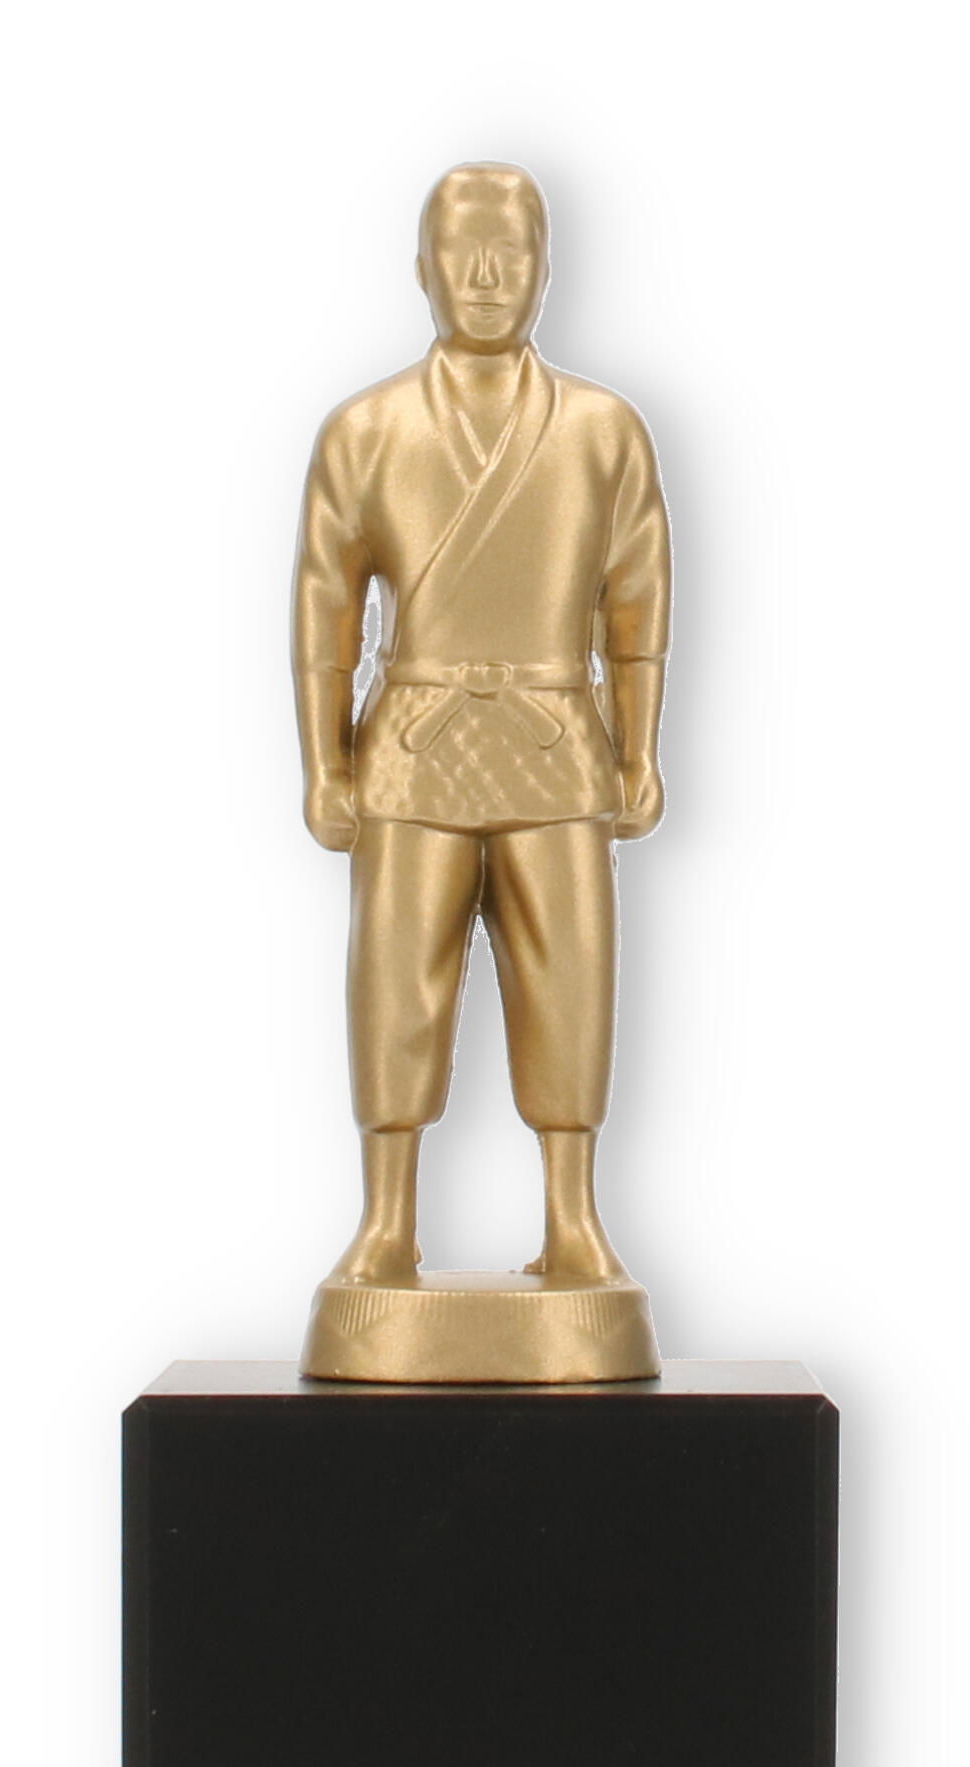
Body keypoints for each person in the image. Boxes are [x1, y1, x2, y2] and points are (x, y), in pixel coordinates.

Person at [292, 161, 671, 1288]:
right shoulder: (366, 430)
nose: (489, 276)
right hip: (414, 745)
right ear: (423, 269)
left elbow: (638, 600)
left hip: (556, 741)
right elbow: (322, 607)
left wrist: (642, 749)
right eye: (464, 254)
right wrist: (323, 762)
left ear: (548, 268)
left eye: (512, 253)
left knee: (572, 978)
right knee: (393, 980)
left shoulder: (601, 429)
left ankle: (572, 1213)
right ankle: (386, 1217)